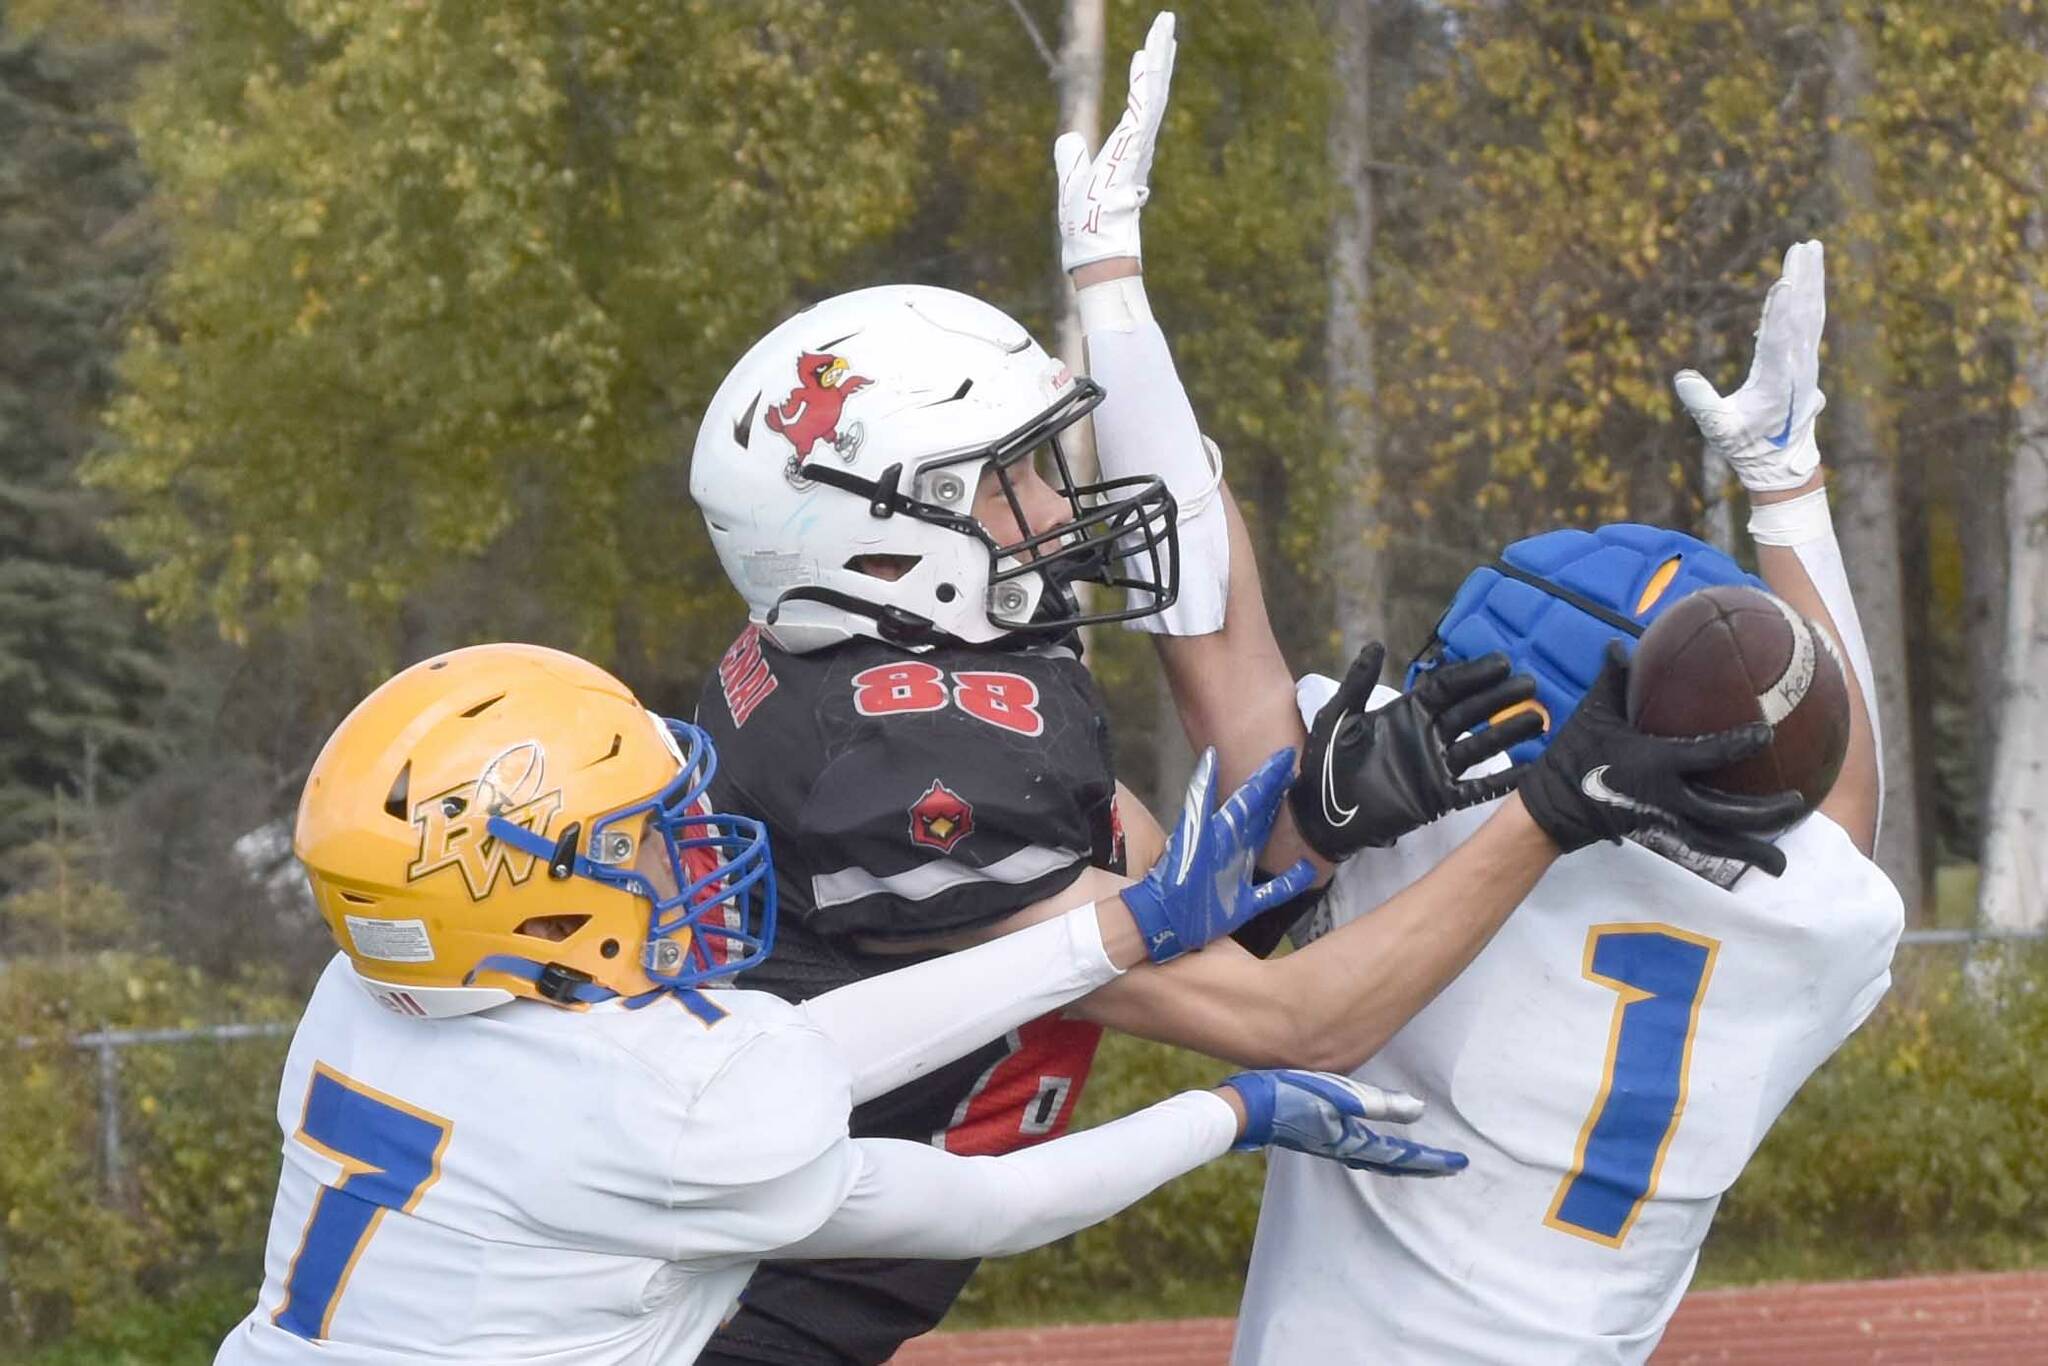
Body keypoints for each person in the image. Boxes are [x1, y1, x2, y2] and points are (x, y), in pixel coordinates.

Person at [683, 25, 1801, 1360]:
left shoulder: (918, 668)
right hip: (715, 1319)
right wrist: (1555, 808)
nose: (1056, 503)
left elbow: (1174, 905)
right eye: (1009, 479)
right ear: (870, 536)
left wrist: (1315, 819)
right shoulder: (887, 777)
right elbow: (1299, 1022)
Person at [1052, 25, 1905, 1358]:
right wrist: (1784, 483)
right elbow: (1838, 788)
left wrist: (1111, 279)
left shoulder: (1433, 825)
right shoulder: (1820, 918)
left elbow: (1210, 629)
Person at [215, 642, 1457, 1366]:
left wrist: (1116, 930)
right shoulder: (665, 1104)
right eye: (642, 839)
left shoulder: (376, 992)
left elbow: (784, 1052)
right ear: (537, 911)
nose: (691, 843)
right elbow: (993, 1197)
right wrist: (1231, 1113)